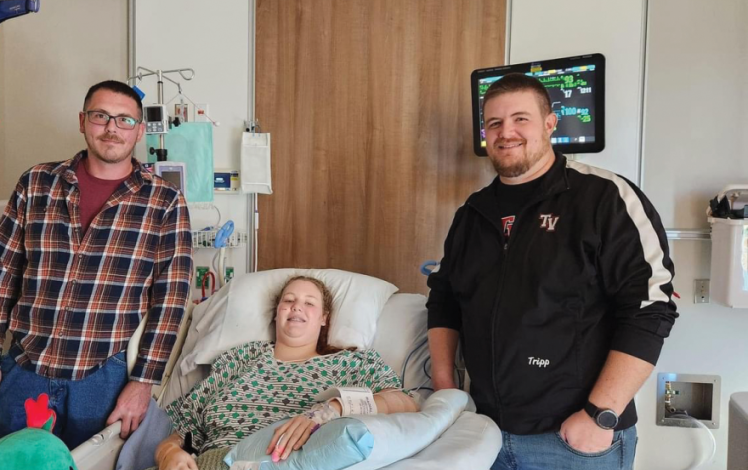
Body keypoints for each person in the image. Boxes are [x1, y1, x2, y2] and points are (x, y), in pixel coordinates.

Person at [426, 73, 678, 470]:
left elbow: (651, 308)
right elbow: (443, 300)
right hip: (481, 435)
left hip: (573, 440)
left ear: (549, 123)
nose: (506, 132)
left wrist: (601, 414)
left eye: (520, 119)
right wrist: (445, 391)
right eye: (494, 123)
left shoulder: (604, 198)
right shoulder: (473, 214)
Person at [0, 80, 193, 448]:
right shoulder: (37, 183)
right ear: (82, 121)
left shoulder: (163, 201)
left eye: (124, 120)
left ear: (138, 131)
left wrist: (143, 382)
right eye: (100, 116)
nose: (111, 128)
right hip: (24, 371)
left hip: (103, 380)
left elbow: (170, 300)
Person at [154, 276, 419, 470]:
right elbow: (186, 426)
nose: (296, 306)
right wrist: (168, 454)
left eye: (309, 303)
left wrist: (333, 408)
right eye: (288, 300)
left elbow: (405, 403)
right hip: (211, 461)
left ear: (324, 318)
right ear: (276, 313)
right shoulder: (239, 358)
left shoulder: (352, 364)